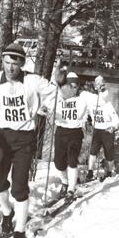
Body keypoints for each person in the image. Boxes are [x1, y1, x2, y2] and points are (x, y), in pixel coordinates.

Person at [0, 43, 58, 238]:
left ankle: (19, 231)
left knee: (19, 186)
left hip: (25, 138)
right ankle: (7, 213)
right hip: (1, 137)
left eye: (15, 64)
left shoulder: (32, 81)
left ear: (22, 64)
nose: (10, 68)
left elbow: (55, 95)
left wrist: (45, 109)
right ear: (2, 62)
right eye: (7, 63)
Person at [41, 70, 97, 200]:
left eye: (76, 86)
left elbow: (100, 101)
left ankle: (71, 189)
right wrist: (44, 108)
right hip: (60, 131)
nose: (74, 89)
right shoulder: (59, 96)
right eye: (71, 86)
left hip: (75, 133)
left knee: (72, 160)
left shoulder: (84, 96)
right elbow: (46, 104)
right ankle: (65, 182)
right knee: (59, 163)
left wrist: (101, 89)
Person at [86, 75, 119, 182]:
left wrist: (113, 127)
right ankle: (90, 171)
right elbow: (88, 112)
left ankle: (109, 172)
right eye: (97, 84)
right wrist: (88, 120)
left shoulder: (108, 104)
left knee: (109, 152)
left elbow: (117, 119)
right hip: (97, 129)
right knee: (93, 151)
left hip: (106, 130)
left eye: (100, 84)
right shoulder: (92, 103)